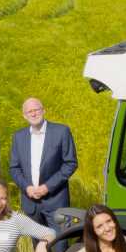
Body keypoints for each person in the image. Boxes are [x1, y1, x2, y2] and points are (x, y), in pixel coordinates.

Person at [9, 97, 78, 227]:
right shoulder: (18, 137)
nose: (34, 114)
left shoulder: (61, 131)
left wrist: (47, 187)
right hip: (30, 203)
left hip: (56, 202)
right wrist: (26, 187)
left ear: (44, 110)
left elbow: (70, 163)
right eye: (29, 111)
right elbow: (14, 168)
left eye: (36, 110)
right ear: (24, 116)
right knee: (38, 246)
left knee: (60, 244)